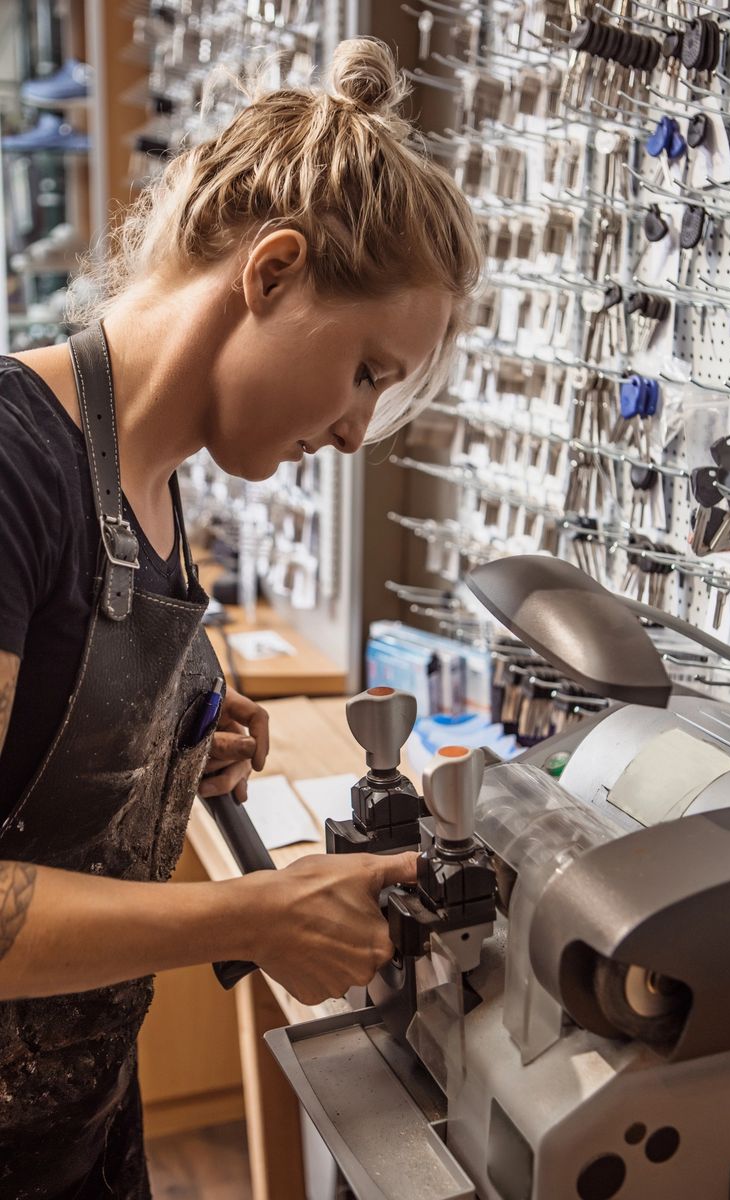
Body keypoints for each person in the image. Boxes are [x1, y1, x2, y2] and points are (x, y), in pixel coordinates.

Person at [0, 37, 482, 1199]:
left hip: (79, 1127)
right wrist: (247, 913)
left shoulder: (153, 490)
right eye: (366, 369)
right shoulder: (16, 466)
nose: (359, 427)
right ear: (269, 273)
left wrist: (157, 746)